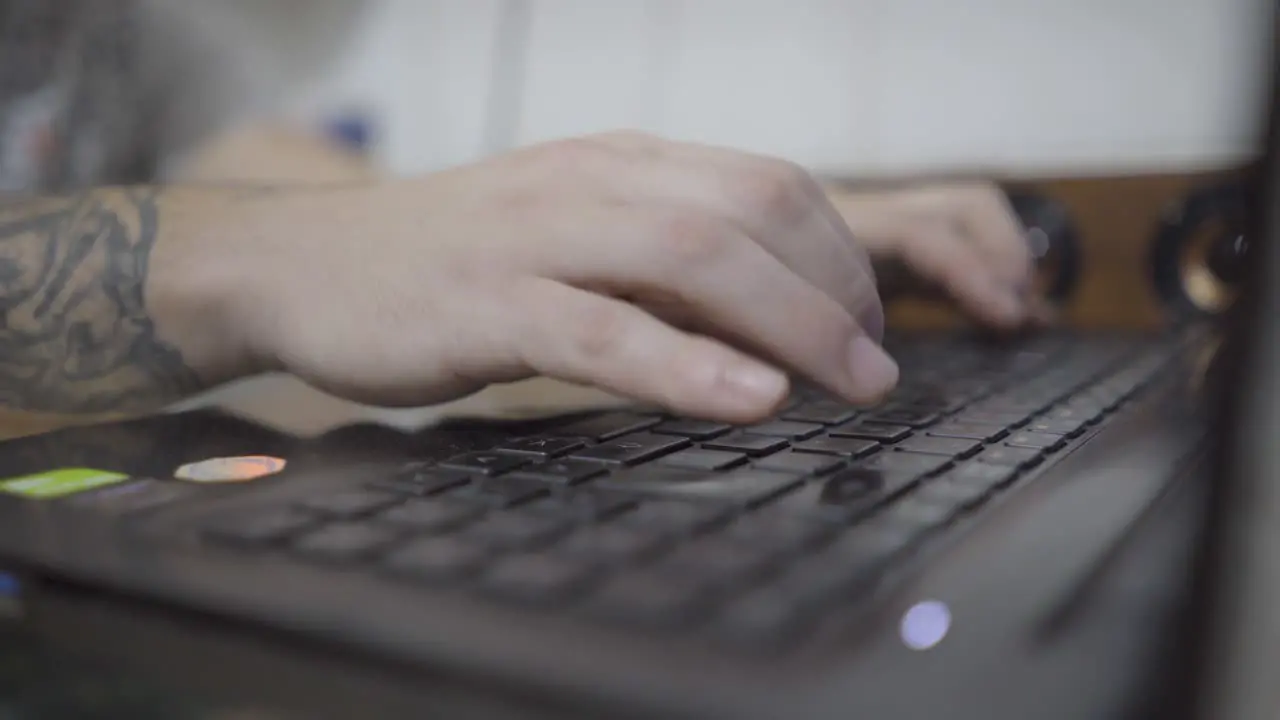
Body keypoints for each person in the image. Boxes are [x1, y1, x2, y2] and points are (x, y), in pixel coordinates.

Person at [0, 3, 1038, 428]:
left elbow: (276, 176)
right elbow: (271, 235)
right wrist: (260, 260)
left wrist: (662, 245)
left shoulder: (124, 23)